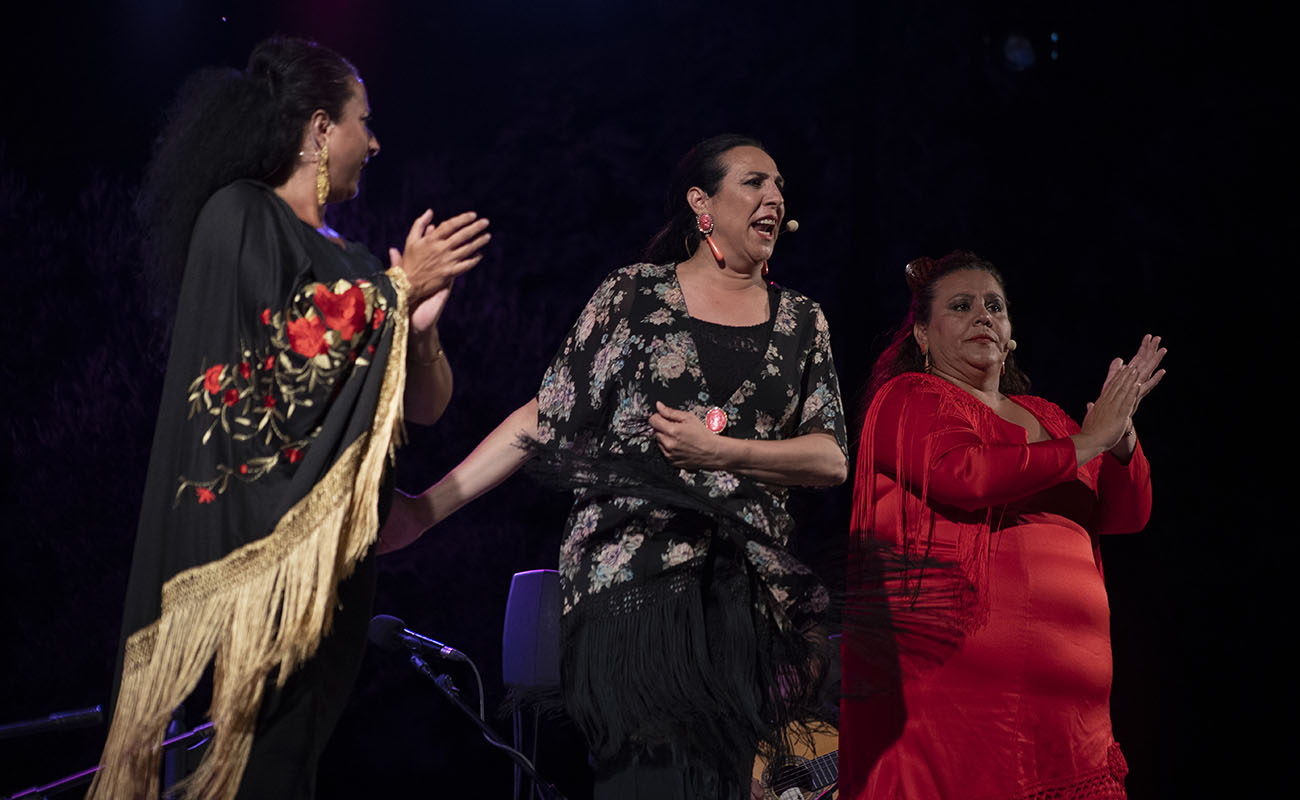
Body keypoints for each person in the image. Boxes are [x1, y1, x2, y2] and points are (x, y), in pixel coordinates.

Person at [380, 134, 848, 799]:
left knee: (732, 781)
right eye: (753, 182)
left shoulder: (804, 322)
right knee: (648, 779)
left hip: (748, 607)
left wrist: (727, 454)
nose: (774, 196)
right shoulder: (633, 297)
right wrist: (425, 510)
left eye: (779, 186)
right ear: (702, 205)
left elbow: (829, 457)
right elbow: (542, 418)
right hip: (634, 591)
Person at [92, 37, 489, 800]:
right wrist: (398, 292)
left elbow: (429, 406)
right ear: (316, 129)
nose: (373, 143)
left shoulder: (365, 265)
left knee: (291, 759)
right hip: (264, 556)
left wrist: (424, 326)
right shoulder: (239, 214)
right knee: (256, 769)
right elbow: (279, 356)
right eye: (361, 123)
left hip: (337, 564)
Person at [839, 251, 1166, 799]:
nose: (983, 316)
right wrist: (1090, 440)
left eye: (995, 306)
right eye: (961, 306)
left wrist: (1122, 440)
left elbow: (1124, 516)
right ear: (921, 333)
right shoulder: (908, 398)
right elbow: (961, 475)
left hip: (1068, 713)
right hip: (965, 701)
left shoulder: (1049, 415)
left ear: (1011, 331)